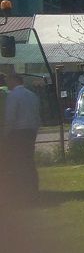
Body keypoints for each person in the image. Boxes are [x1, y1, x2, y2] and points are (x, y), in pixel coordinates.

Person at [4, 70, 41, 198]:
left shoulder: (13, 96)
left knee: (18, 161)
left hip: (18, 132)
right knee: (29, 160)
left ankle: (21, 188)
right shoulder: (32, 95)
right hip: (31, 131)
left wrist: (5, 134)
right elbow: (37, 116)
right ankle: (33, 187)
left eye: (8, 81)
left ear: (14, 80)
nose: (7, 83)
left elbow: (10, 117)